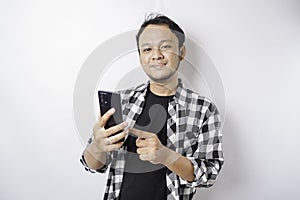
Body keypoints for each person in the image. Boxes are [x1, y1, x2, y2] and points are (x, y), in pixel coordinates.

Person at [80, 13, 224, 200]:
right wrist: (98, 146)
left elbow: (209, 174)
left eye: (165, 46)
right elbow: (91, 165)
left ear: (181, 52)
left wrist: (166, 156)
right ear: (140, 56)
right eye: (147, 49)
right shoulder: (121, 101)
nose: (156, 55)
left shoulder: (204, 109)